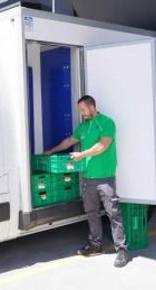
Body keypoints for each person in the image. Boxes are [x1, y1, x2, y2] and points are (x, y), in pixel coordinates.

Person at [43, 95, 129, 268]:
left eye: (83, 110)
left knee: (113, 214)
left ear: (92, 107)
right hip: (88, 177)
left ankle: (122, 250)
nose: (81, 114)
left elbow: (102, 146)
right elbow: (69, 141)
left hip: (105, 177)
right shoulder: (83, 126)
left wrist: (81, 154)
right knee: (91, 213)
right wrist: (52, 150)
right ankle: (95, 245)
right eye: (79, 111)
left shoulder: (106, 123)